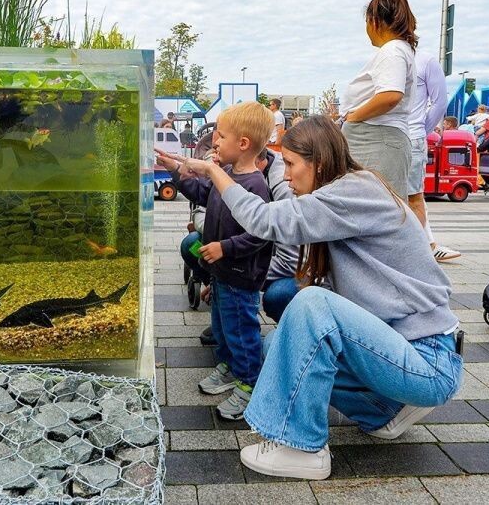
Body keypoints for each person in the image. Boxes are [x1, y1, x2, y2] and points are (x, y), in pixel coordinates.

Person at [176, 116, 462, 481]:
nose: (286, 176)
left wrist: (213, 172)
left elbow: (264, 220)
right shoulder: (347, 191)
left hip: (428, 360)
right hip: (403, 348)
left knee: (312, 303)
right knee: (277, 345)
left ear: (320, 163)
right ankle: (382, 410)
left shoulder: (355, 191)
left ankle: (303, 447)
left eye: (291, 164)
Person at [163, 102, 275, 421]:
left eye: (221, 136)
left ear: (243, 143)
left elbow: (261, 234)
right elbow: (202, 193)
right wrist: (175, 171)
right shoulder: (225, 174)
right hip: (222, 274)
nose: (214, 141)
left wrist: (225, 247)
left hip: (241, 277)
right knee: (223, 327)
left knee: (242, 330)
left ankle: (249, 383)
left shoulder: (256, 185)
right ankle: (228, 366)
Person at [198, 147, 301, 346]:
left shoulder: (268, 185)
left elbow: (281, 252)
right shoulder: (229, 172)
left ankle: (293, 337)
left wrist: (241, 272)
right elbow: (203, 203)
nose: (217, 146)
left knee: (248, 328)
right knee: (191, 246)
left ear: (244, 146)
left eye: (223, 138)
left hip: (258, 268)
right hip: (232, 262)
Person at [342, 0, 418, 198]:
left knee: (378, 205)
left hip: (376, 139)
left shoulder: (392, 51)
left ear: (374, 21)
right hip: (378, 138)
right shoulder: (399, 50)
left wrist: (353, 117)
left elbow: (390, 95)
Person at [407, 49, 461, 262]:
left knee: (413, 196)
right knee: (408, 196)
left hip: (411, 137)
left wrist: (420, 131)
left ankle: (423, 250)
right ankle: (427, 246)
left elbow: (439, 103)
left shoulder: (425, 61)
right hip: (393, 137)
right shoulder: (385, 58)